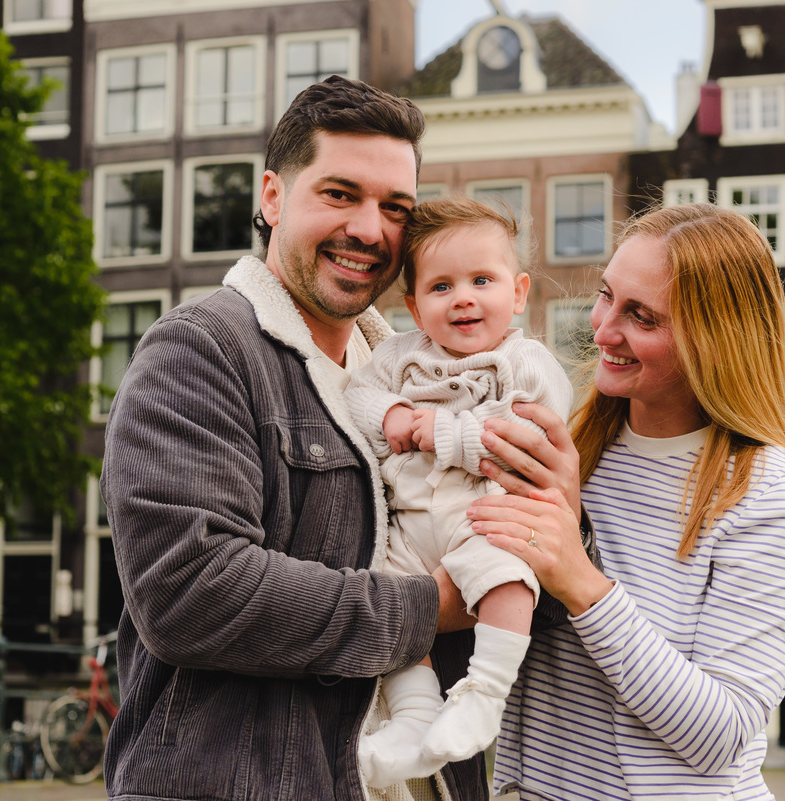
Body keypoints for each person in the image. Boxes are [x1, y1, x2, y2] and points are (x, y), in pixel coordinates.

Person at [99, 75, 529, 801]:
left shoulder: (415, 374)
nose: (370, 228)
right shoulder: (199, 352)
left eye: (395, 207)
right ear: (271, 197)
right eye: (339, 194)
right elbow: (190, 592)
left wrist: (552, 506)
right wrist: (430, 606)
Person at [465, 202, 785, 800]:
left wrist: (580, 580)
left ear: (716, 340)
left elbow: (720, 736)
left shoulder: (773, 495)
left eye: (642, 317)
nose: (604, 329)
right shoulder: (568, 446)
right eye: (608, 295)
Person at [344, 197, 574, 788]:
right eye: (441, 287)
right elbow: (356, 399)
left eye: (482, 280)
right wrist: (393, 413)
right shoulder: (397, 356)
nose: (464, 297)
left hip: (483, 511)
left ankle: (484, 692)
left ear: (518, 293)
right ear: (415, 307)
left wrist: (446, 435)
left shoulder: (525, 362)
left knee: (506, 574)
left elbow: (531, 435)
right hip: (411, 521)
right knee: (390, 598)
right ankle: (414, 715)